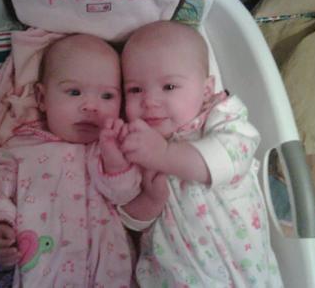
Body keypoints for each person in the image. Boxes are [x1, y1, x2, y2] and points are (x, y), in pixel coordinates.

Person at [118, 21, 284, 287]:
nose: (149, 100)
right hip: (175, 276)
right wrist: (150, 200)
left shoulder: (220, 118)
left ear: (206, 90)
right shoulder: (135, 145)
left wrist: (163, 154)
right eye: (135, 89)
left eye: (169, 87)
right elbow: (129, 223)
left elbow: (233, 156)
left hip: (248, 273)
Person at [0, 34, 142, 287]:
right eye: (74, 92)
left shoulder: (110, 149)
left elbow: (126, 196)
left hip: (109, 274)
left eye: (107, 96)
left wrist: (115, 161)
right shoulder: (19, 149)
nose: (91, 106)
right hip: (38, 272)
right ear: (41, 99)